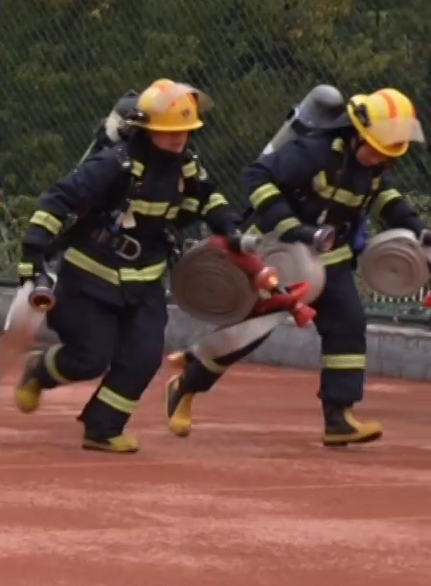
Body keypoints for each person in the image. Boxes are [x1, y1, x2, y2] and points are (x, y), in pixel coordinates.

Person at [164, 87, 426, 445]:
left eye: (388, 156)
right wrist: (296, 229)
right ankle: (185, 386)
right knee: (249, 333)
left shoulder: (374, 166)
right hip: (279, 254)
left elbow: (385, 198)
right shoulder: (314, 152)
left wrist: (418, 230)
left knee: (347, 324)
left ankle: (339, 417)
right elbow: (255, 178)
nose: (381, 160)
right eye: (376, 151)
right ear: (355, 136)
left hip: (329, 260)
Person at [13, 79, 239, 452]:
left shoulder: (187, 168)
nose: (178, 139)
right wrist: (33, 254)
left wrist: (229, 230)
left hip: (145, 280)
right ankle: (39, 371)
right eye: (170, 132)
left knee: (144, 356)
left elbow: (210, 198)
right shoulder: (115, 165)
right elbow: (58, 201)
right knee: (89, 358)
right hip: (89, 277)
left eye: (184, 131)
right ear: (148, 130)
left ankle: (103, 428)